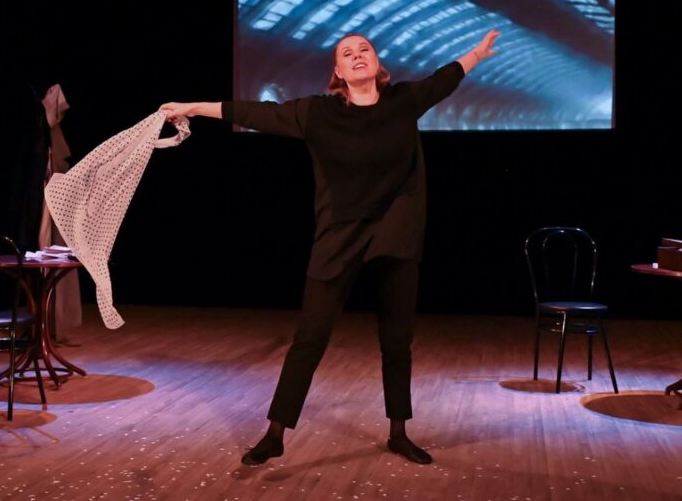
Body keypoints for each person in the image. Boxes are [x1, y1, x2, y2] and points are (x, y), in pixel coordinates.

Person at [160, 29, 500, 466]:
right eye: (347, 53)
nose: (357, 56)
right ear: (337, 71)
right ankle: (275, 434)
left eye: (364, 50)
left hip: (395, 231)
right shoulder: (317, 113)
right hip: (340, 234)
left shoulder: (403, 101)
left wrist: (477, 53)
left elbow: (444, 78)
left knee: (397, 340)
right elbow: (256, 112)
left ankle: (399, 432)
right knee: (309, 338)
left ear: (377, 63)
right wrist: (193, 107)